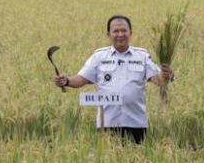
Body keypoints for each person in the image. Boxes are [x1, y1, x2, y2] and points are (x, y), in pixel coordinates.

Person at [54, 15, 174, 144]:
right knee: (109, 161)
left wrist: (167, 75)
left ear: (130, 33)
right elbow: (81, 79)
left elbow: (158, 80)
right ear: (108, 34)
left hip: (136, 123)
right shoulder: (99, 56)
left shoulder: (142, 56)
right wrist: (66, 81)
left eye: (124, 31)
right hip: (107, 122)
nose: (120, 34)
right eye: (116, 31)